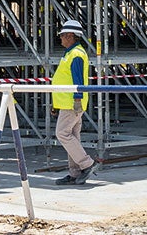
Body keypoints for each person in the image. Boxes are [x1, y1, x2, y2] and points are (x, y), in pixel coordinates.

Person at [52, 19, 96, 185]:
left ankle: (87, 164)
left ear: (70, 36)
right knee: (73, 137)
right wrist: (55, 104)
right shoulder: (70, 53)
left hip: (72, 103)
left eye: (62, 35)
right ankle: (75, 173)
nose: (60, 38)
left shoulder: (76, 54)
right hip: (66, 102)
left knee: (62, 133)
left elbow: (78, 80)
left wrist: (77, 99)